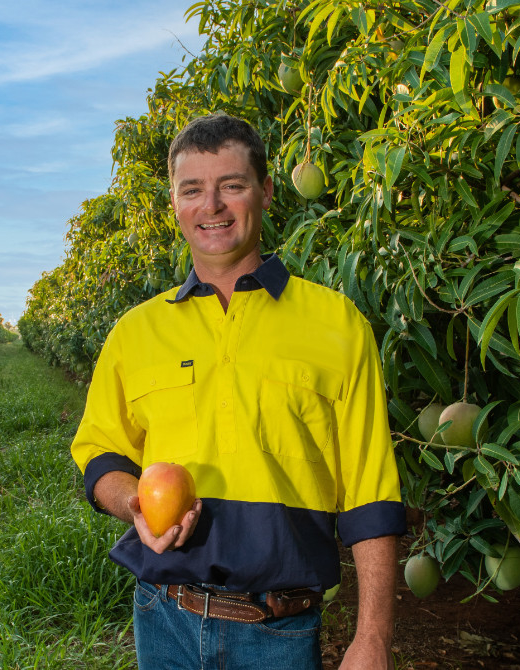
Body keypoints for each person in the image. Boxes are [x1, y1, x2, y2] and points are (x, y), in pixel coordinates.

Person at [70, 112, 406, 669]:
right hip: (163, 620)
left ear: (266, 193)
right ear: (174, 204)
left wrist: (373, 638)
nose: (212, 207)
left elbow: (373, 495)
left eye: (232, 185)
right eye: (193, 190)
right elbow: (100, 450)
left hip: (279, 633)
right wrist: (133, 503)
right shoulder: (136, 332)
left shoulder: (337, 324)